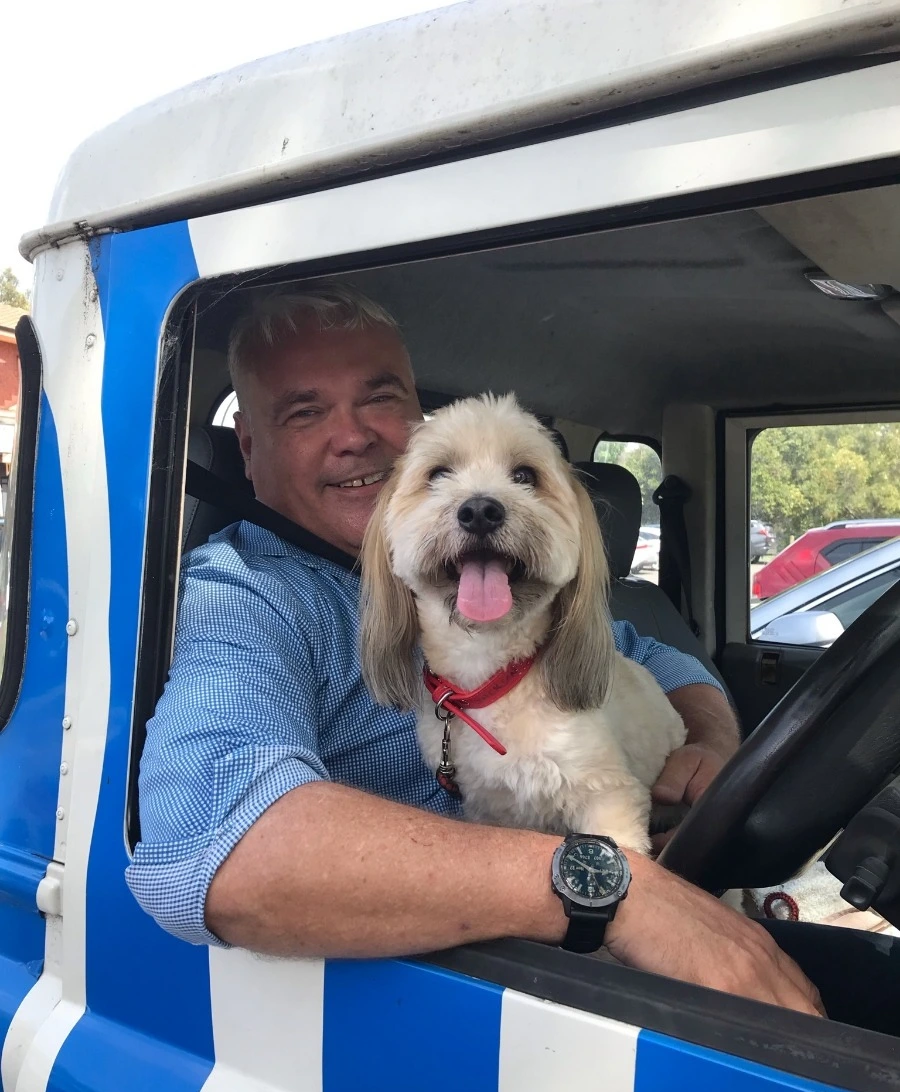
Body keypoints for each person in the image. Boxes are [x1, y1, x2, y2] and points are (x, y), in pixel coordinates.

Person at [128, 285, 823, 1018]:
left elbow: (648, 658)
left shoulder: (511, 587)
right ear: (248, 448)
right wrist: (608, 889)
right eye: (305, 412)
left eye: (381, 398)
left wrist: (707, 746)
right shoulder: (246, 596)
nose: (354, 435)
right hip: (433, 998)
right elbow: (216, 846)